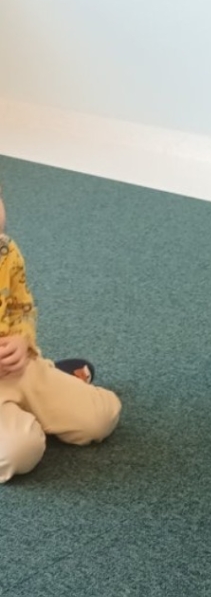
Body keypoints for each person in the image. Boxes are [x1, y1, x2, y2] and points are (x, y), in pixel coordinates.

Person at [0, 182, 122, 482]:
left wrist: (22, 339)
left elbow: (21, 308)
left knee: (101, 417)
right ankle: (24, 419)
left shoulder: (5, 250)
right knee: (19, 453)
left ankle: (49, 386)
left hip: (18, 368)